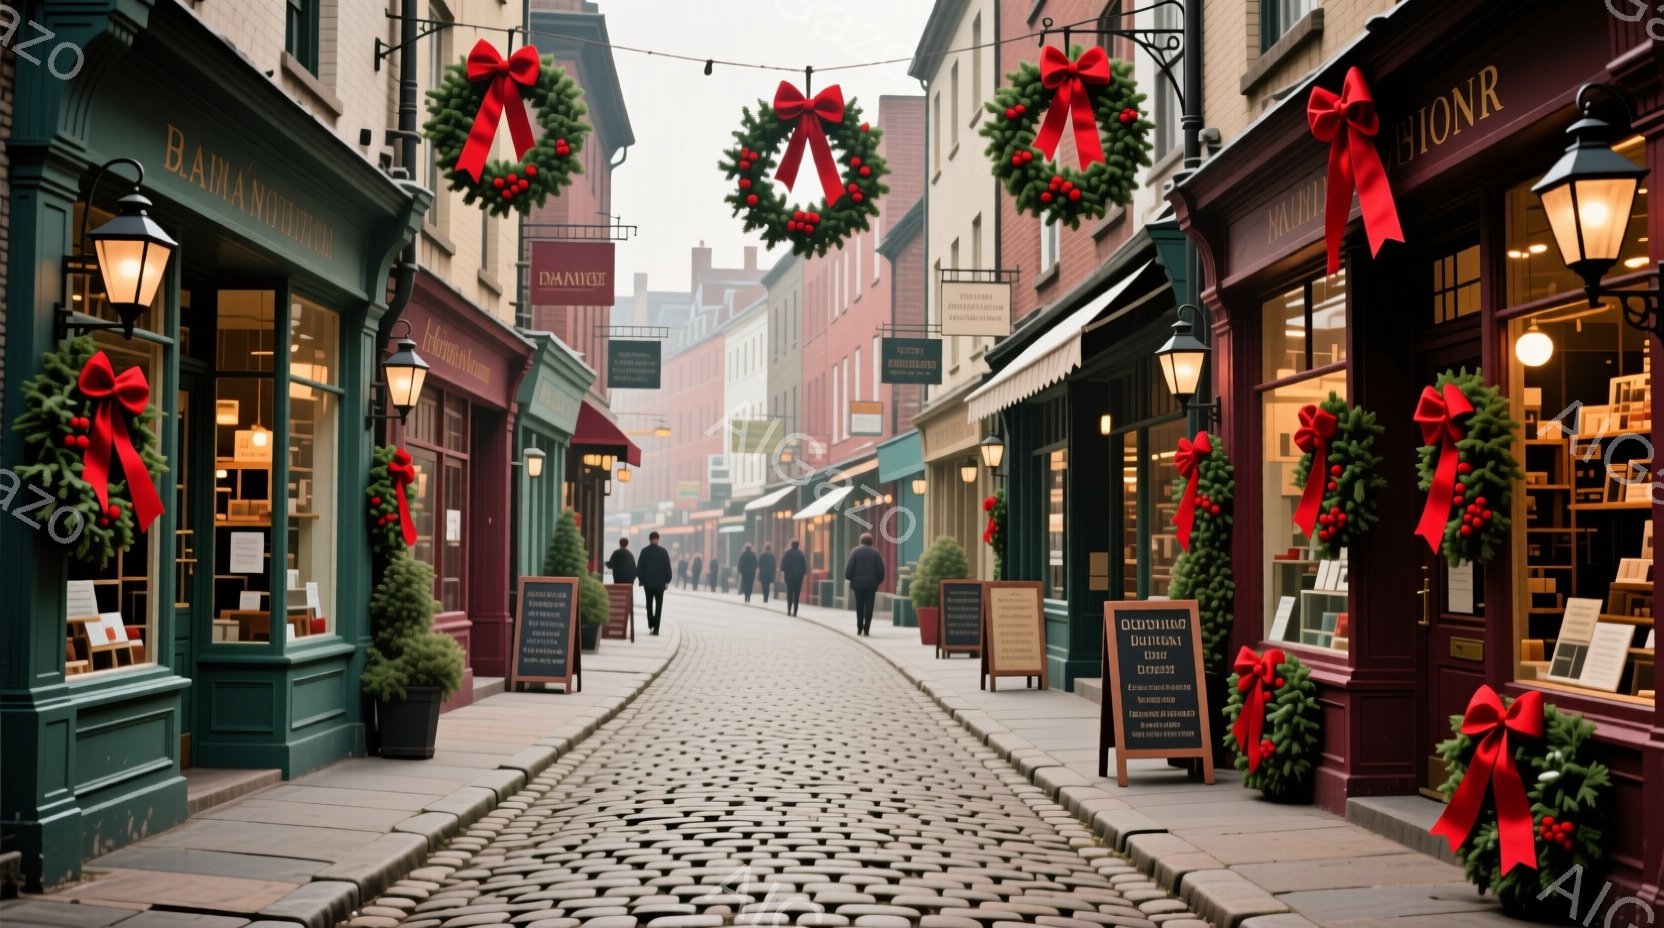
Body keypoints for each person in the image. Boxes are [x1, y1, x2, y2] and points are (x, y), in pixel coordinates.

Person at [844, 532, 886, 636]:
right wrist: (877, 582)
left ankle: (859, 628)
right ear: (871, 542)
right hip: (871, 585)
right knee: (869, 607)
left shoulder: (855, 552)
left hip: (858, 585)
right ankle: (867, 629)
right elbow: (881, 572)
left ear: (861, 541)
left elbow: (848, 571)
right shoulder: (876, 553)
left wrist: (851, 579)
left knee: (859, 606)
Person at [637, 531, 673, 635]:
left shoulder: (644, 551)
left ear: (649, 539)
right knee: (658, 606)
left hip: (648, 584)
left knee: (648, 605)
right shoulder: (663, 552)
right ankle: (656, 629)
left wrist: (642, 579)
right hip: (660, 585)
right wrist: (667, 580)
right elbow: (668, 568)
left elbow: (639, 568)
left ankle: (650, 622)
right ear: (658, 539)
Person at [780, 539, 807, 617]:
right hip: (798, 577)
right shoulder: (801, 554)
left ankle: (789, 610)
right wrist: (803, 574)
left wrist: (784, 571)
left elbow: (783, 566)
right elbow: (804, 566)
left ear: (791, 545)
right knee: (796, 594)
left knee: (789, 593)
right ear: (798, 545)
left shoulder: (787, 553)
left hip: (789, 576)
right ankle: (795, 612)